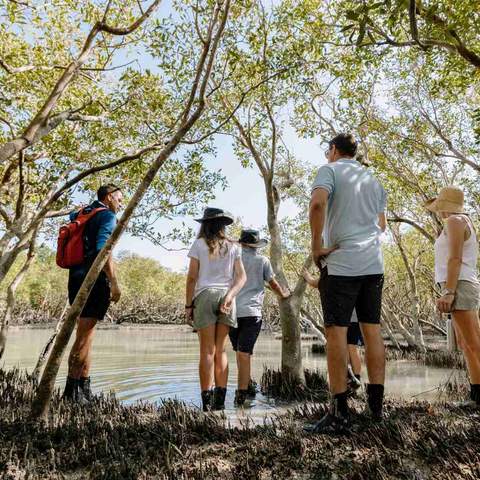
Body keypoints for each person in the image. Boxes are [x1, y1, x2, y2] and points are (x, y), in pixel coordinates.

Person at [307, 133, 387, 434]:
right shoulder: (373, 179)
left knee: (337, 334)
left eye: (327, 150)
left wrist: (317, 245)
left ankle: (339, 412)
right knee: (372, 332)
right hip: (373, 264)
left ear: (334, 150)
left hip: (341, 265)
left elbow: (317, 205)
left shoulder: (329, 170)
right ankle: (375, 410)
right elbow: (381, 225)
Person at [63, 184, 123, 403]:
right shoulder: (107, 216)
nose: (120, 203)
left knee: (87, 333)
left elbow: (72, 215)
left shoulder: (83, 213)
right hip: (93, 280)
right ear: (108, 198)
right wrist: (114, 283)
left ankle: (84, 389)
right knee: (83, 336)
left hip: (75, 278)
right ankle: (70, 393)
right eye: (118, 198)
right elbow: (103, 250)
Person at [186, 207, 246, 412]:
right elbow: (241, 278)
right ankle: (220, 403)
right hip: (227, 297)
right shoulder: (234, 246)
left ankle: (206, 403)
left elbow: (192, 277)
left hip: (205, 295)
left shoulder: (199, 244)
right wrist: (230, 296)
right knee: (221, 350)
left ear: (205, 224)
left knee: (207, 351)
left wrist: (188, 305)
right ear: (222, 226)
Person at [426, 186, 480, 406]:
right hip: (460, 284)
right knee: (466, 342)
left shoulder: (455, 221)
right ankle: (476, 395)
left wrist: (448, 292)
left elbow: (455, 258)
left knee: (472, 343)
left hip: (460, 285)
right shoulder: (459, 221)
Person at [229, 229, 290, 407]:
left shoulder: (233, 259)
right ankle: (241, 396)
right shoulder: (262, 260)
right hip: (251, 313)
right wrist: (283, 295)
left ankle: (246, 386)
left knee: (240, 353)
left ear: (242, 243)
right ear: (256, 245)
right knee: (244, 353)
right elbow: (272, 282)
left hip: (232, 312)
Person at [303, 270, 363, 395]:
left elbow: (318, 283)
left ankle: (349, 379)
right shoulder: (357, 270)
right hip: (356, 316)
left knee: (341, 348)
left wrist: (307, 276)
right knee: (352, 347)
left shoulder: (335, 270)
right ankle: (356, 379)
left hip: (341, 316)